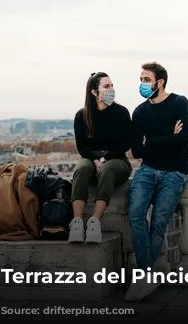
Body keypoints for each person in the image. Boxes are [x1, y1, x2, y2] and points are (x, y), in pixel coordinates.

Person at [125, 62, 188, 301]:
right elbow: (136, 151)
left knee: (160, 222)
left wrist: (150, 141)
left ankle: (141, 277)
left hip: (175, 172)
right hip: (147, 169)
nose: (141, 83)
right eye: (141, 79)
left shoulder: (179, 103)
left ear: (159, 82)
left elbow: (182, 140)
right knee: (135, 214)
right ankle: (145, 277)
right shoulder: (140, 112)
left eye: (145, 79)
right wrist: (166, 139)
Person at [69, 72, 133, 244]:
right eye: (106, 86)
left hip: (117, 158)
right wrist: (95, 160)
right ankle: (76, 223)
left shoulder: (121, 112)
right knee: (81, 169)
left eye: (112, 85)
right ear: (94, 92)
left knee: (107, 170)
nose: (111, 89)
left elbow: (127, 142)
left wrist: (105, 159)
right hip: (90, 157)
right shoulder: (82, 116)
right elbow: (82, 147)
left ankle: (95, 221)